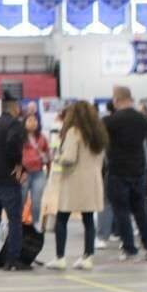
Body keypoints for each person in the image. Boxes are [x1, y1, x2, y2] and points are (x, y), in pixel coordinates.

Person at [46, 102, 106, 271]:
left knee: (62, 219)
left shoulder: (73, 132)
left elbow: (69, 158)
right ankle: (88, 256)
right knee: (88, 220)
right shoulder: (98, 134)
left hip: (74, 180)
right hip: (93, 180)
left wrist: (57, 157)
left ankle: (60, 257)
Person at [104, 85, 147, 262]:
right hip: (139, 169)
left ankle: (129, 248)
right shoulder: (143, 119)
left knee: (122, 211)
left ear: (116, 100)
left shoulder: (110, 121)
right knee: (141, 210)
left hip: (118, 170)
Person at [0, 93, 29, 271]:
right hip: (6, 179)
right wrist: (18, 164)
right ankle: (12, 260)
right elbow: (12, 143)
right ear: (14, 107)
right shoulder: (14, 124)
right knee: (14, 220)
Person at [22, 113, 52, 229]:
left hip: (39, 173)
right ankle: (17, 224)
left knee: (36, 200)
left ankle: (35, 224)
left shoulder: (42, 138)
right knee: (21, 199)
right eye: (29, 120)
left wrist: (49, 171)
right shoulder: (19, 138)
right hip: (23, 173)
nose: (33, 123)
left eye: (35, 120)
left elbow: (48, 155)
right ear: (24, 123)